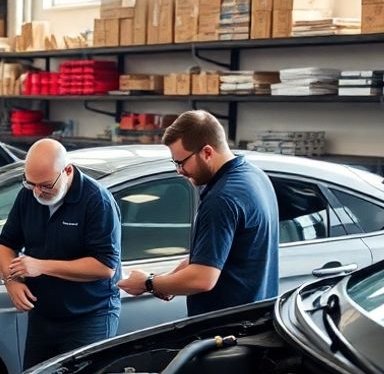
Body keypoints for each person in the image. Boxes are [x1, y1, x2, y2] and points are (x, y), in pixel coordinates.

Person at [119, 110, 279, 315]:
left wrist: (147, 283)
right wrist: (166, 282)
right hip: (254, 319)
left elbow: (202, 278)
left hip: (226, 330)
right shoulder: (254, 176)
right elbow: (214, 256)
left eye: (181, 162)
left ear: (207, 152)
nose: (179, 171)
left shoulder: (221, 199)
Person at [0, 139, 122, 368]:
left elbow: (105, 266)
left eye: (45, 185)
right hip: (43, 314)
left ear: (67, 170)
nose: (37, 191)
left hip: (89, 315)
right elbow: (5, 245)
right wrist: (12, 280)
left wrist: (42, 266)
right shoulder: (28, 195)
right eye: (31, 183)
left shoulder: (97, 201)